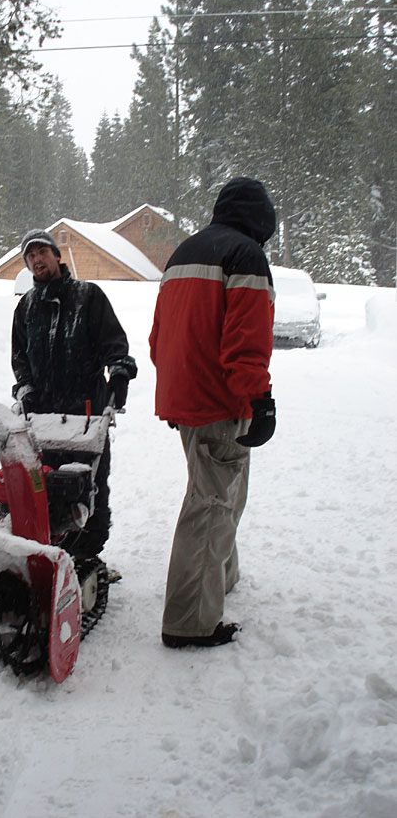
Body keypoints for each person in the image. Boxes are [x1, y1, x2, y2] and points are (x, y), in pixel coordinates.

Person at [149, 177, 277, 648]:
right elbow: (246, 342)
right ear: (260, 218)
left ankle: (220, 578)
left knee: (223, 495)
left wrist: (177, 390)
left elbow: (158, 337)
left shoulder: (183, 253)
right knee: (210, 507)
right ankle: (189, 623)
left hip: (187, 399)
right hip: (220, 402)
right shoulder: (246, 256)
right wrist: (260, 400)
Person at [11, 229, 137, 556]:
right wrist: (25, 388)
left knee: (88, 484)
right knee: (44, 485)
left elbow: (114, 342)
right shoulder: (26, 307)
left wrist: (119, 372)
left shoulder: (88, 296)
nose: (37, 259)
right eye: (30, 256)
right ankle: (50, 552)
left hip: (86, 413)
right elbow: (19, 357)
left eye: (42, 252)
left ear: (57, 255)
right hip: (43, 416)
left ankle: (89, 554)